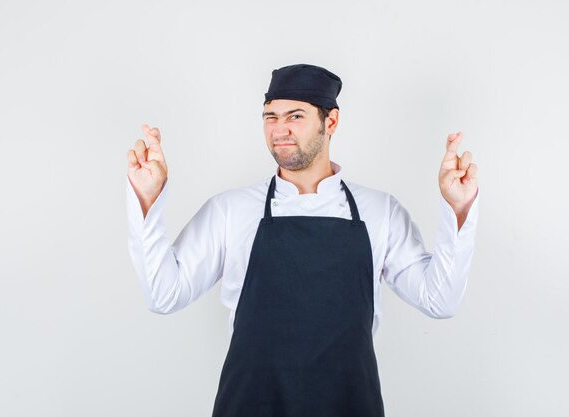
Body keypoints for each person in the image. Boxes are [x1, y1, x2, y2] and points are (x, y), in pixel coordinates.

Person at [125, 64, 479, 417]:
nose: (280, 129)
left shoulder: (379, 212)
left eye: (295, 115)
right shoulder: (230, 210)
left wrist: (459, 209)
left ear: (332, 122)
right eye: (270, 116)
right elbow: (163, 294)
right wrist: (146, 199)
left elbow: (439, 300)